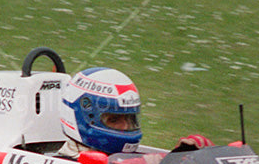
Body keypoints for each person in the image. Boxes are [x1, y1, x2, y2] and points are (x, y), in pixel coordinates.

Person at [56, 67, 212, 159]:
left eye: (130, 119)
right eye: (114, 120)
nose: (125, 127)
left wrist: (179, 157)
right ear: (84, 119)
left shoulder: (117, 160)